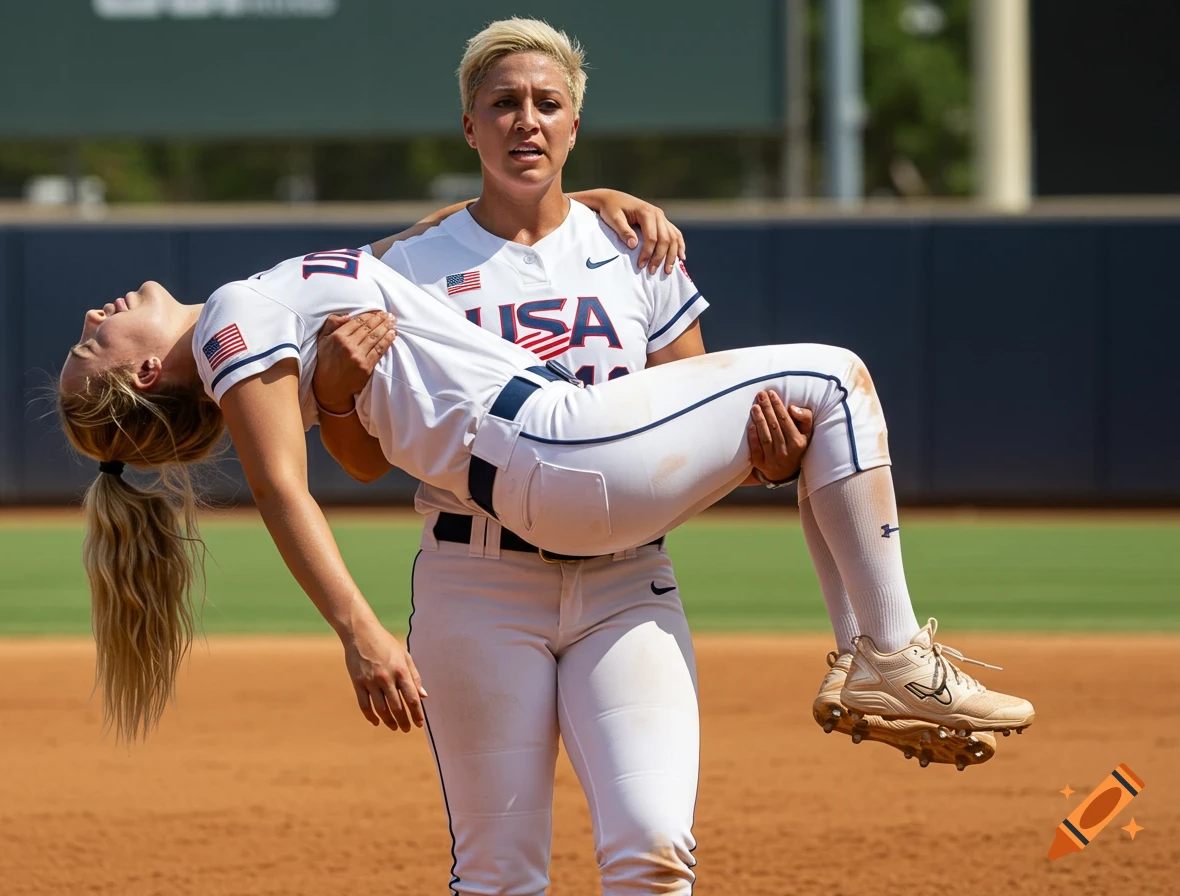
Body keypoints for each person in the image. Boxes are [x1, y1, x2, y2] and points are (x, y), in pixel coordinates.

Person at [56, 246, 1036, 766]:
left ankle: (870, 658)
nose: (93, 315)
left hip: (548, 460)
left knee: (818, 406)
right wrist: (359, 633)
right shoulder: (231, 323)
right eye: (90, 345)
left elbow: (355, 417)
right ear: (147, 372)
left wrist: (598, 205)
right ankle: (887, 655)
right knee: (836, 375)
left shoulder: (249, 316)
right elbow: (281, 487)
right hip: (548, 442)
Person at [306, 18, 814, 894]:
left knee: (656, 851)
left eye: (548, 104)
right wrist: (334, 391)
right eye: (503, 104)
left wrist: (761, 461)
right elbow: (358, 460)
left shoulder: (637, 250)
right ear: (470, 126)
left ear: (575, 125)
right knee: (501, 874)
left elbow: (687, 427)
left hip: (627, 580)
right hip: (477, 585)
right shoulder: (412, 270)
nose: (525, 121)